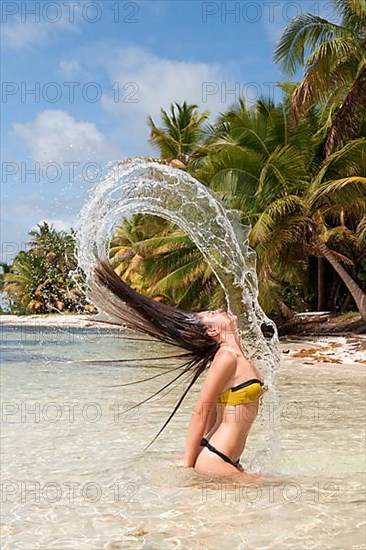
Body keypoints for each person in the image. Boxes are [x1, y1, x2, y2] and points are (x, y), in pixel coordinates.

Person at [88, 259, 267, 478]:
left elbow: (214, 409)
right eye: (211, 314)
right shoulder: (226, 357)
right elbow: (200, 410)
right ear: (212, 331)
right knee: (283, 491)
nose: (218, 309)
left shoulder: (239, 355)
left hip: (223, 455)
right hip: (216, 457)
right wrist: (189, 462)